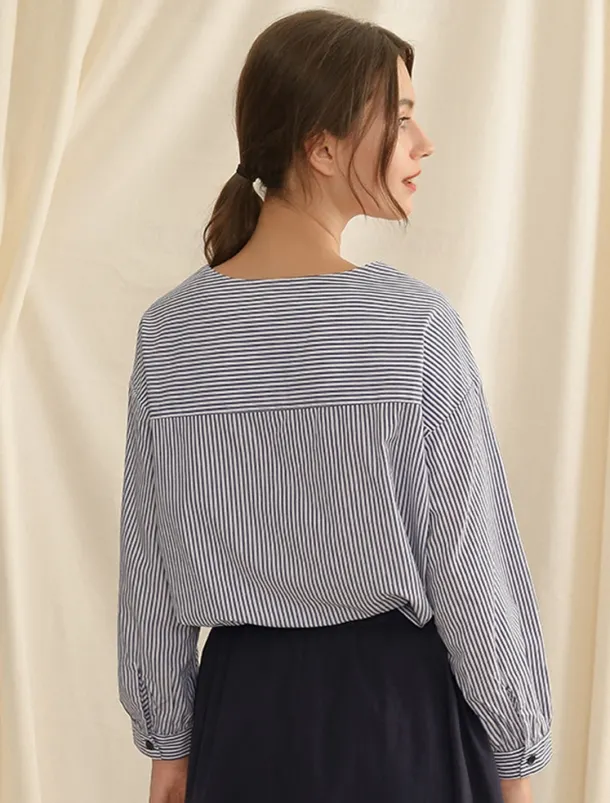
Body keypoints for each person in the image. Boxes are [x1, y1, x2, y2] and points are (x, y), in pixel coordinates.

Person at [117, 9, 552, 803]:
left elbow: (150, 570)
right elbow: (470, 566)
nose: (424, 143)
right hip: (399, 722)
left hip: (240, 723)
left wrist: (170, 746)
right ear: (321, 148)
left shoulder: (171, 332)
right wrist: (516, 760)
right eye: (403, 118)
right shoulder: (414, 327)